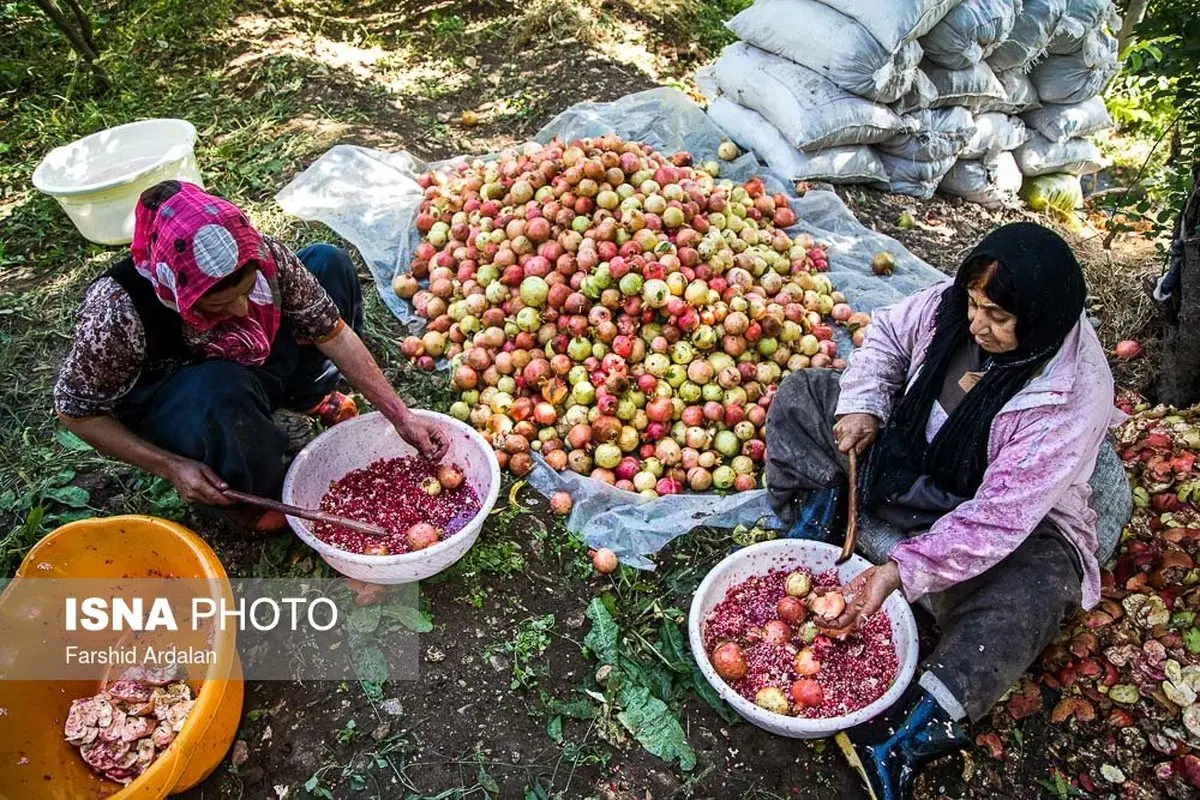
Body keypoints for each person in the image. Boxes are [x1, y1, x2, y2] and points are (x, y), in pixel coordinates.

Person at [765, 222, 1130, 799]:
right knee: (808, 393)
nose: (978, 324)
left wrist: (898, 571)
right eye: (973, 305)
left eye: (998, 318)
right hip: (913, 459)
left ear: (1040, 318)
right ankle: (820, 524)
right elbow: (886, 334)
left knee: (1040, 584)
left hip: (980, 504)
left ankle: (907, 733)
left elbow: (999, 520)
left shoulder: (1072, 394)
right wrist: (864, 405)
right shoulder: (953, 308)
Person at [54, 180, 447, 531]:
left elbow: (333, 333)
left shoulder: (267, 256)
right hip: (189, 401)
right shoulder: (117, 312)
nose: (243, 309)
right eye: (222, 304)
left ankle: (306, 398)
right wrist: (170, 467)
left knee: (329, 263)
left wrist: (402, 416)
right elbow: (77, 413)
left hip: (248, 367)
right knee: (220, 389)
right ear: (178, 291)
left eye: (249, 289)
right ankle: (248, 489)